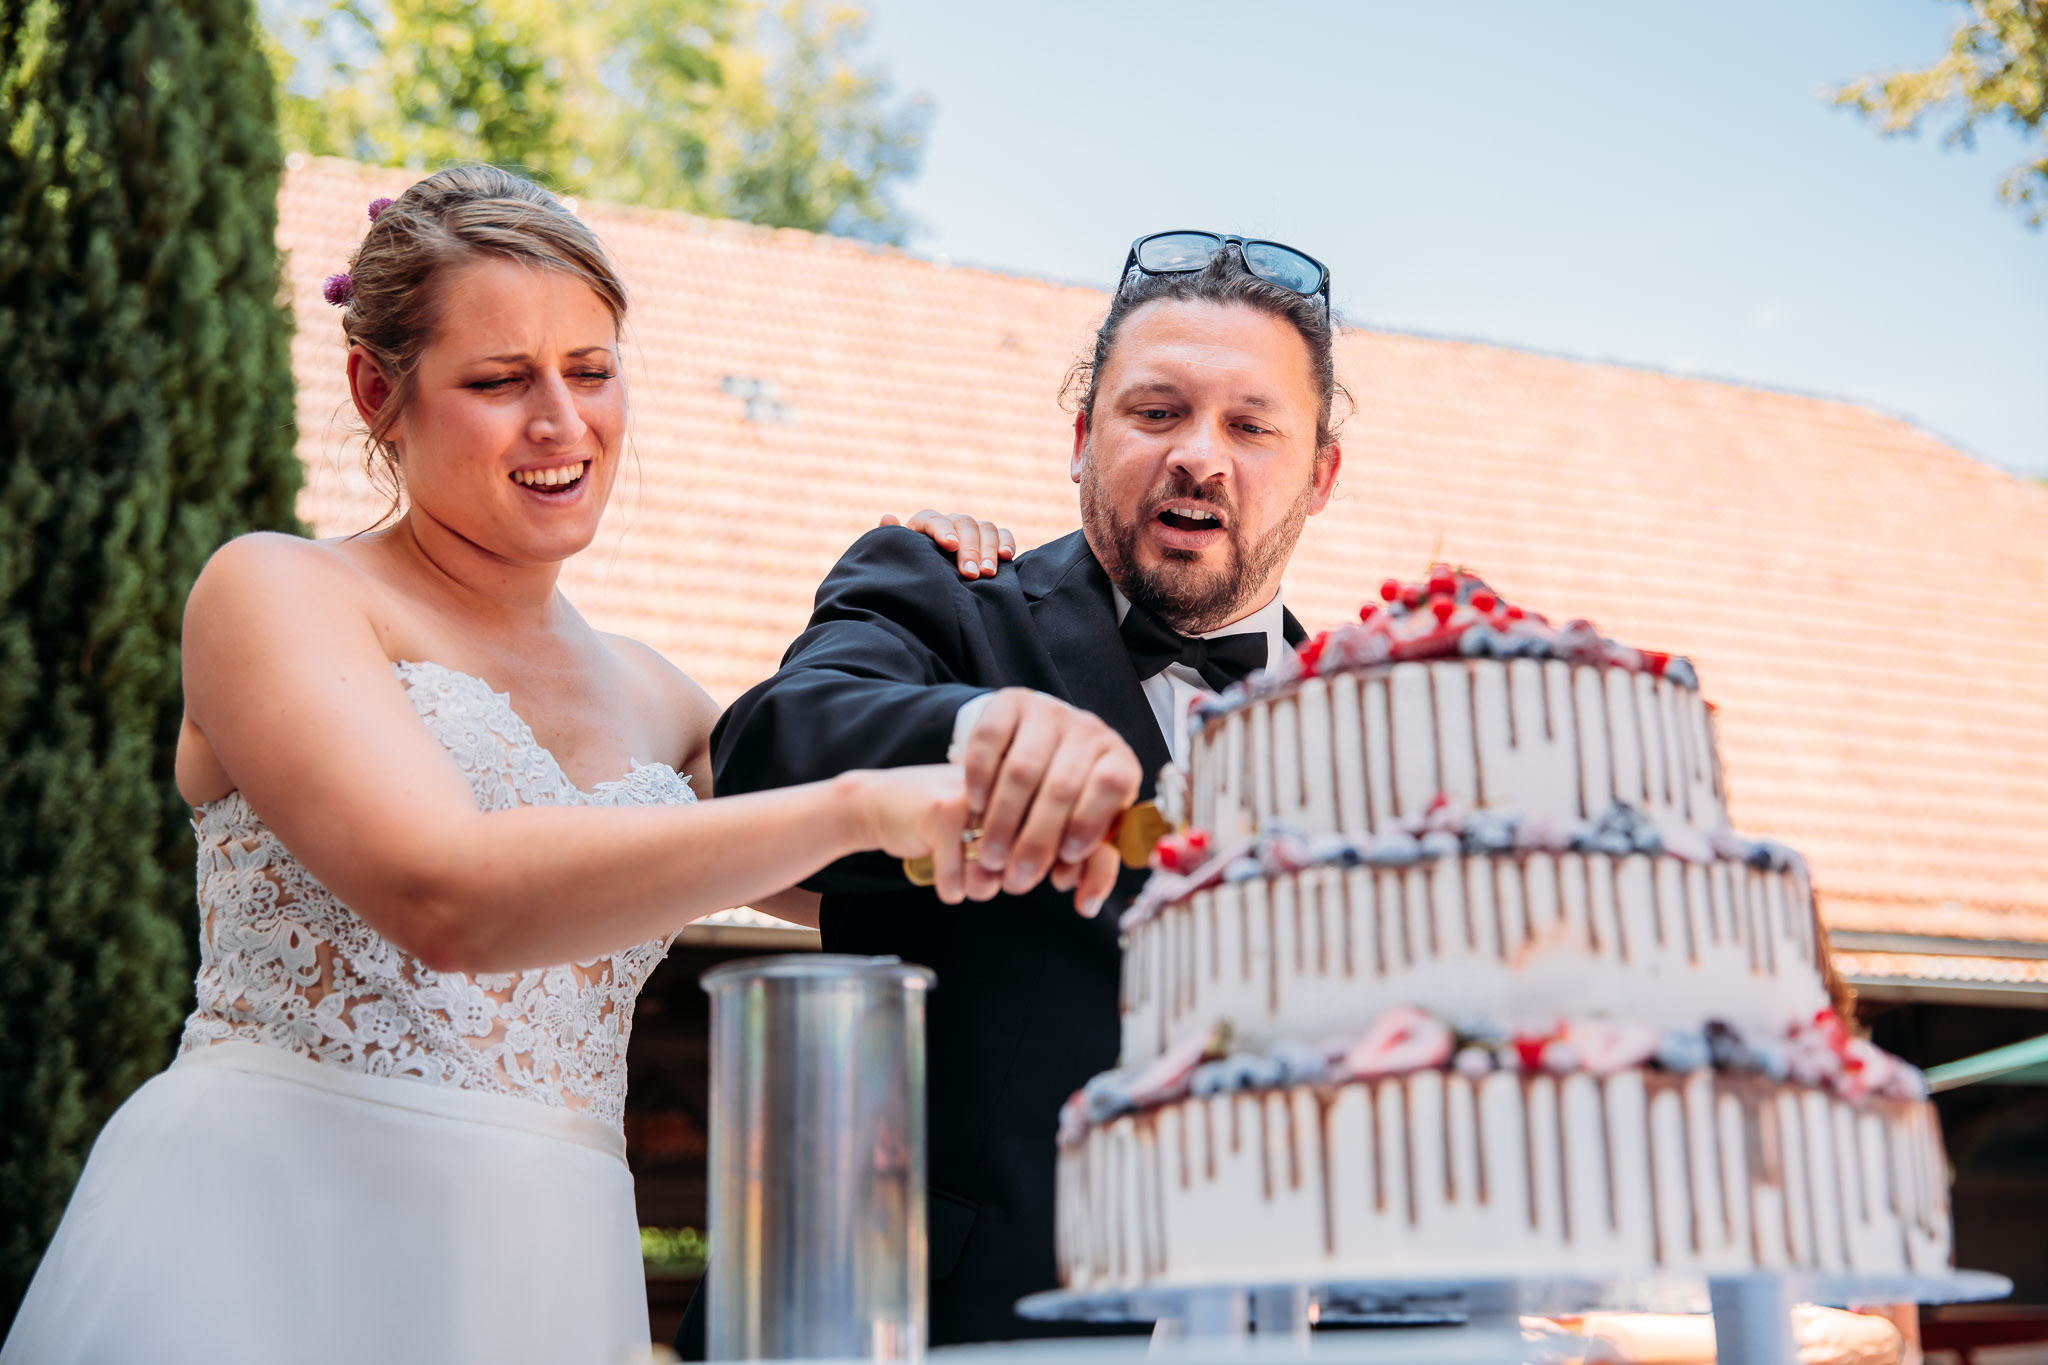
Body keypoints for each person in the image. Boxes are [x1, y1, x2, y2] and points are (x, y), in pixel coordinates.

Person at [0, 164, 1076, 1365]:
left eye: (592, 370)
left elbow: (908, 897)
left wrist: (962, 616)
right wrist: (854, 800)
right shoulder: (275, 591)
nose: (562, 423)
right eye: (501, 381)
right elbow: (445, 894)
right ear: (376, 390)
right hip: (271, 1233)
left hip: (548, 1270)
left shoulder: (663, 698)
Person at [704, 232, 1346, 1348]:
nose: (1200, 455)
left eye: (1250, 425)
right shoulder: (943, 595)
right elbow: (767, 752)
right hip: (936, 1322)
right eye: (1154, 413)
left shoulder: (1374, 722)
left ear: (1318, 473)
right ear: (1081, 439)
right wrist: (985, 729)